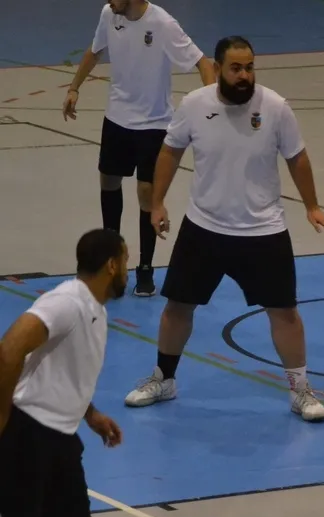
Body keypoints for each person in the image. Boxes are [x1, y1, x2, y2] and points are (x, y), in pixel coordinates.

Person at [122, 36, 324, 423]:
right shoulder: (194, 105)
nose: (244, 75)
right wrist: (157, 203)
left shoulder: (275, 107)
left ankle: (300, 390)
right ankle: (164, 379)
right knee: (177, 307)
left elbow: (297, 157)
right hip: (204, 227)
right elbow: (170, 151)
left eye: (250, 67)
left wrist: (312, 206)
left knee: (284, 312)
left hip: (264, 230)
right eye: (236, 68)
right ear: (218, 69)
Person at [0, 229, 126, 517]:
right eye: (125, 260)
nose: (127, 269)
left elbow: (63, 370)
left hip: (62, 439)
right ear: (111, 265)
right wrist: (2, 415)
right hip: (29, 434)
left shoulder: (95, 309)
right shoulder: (67, 302)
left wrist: (90, 413)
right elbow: (9, 350)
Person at [64, 0, 215, 298]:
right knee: (109, 182)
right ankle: (111, 262)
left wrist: (212, 107)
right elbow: (94, 51)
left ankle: (145, 268)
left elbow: (203, 63)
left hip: (154, 124)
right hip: (116, 119)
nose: (109, 1)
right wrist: (74, 88)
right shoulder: (109, 14)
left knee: (147, 193)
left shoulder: (162, 23)